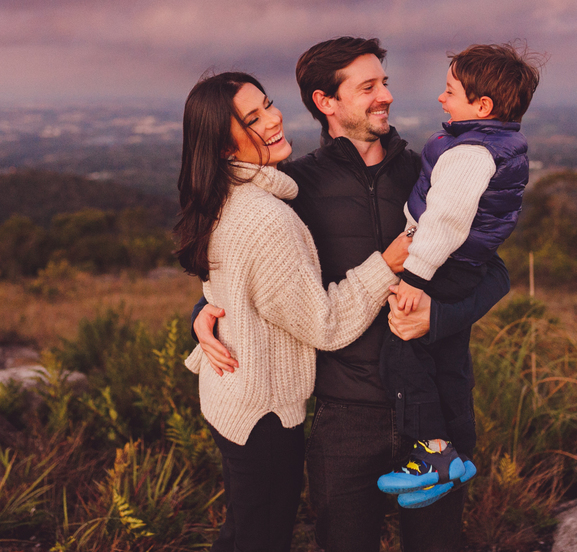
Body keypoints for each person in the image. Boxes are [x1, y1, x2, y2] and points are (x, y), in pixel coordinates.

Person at [193, 38, 512, 552]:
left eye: (384, 82)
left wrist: (439, 315)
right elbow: (247, 273)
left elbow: (495, 272)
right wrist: (201, 316)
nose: (385, 95)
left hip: (436, 412)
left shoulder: (430, 177)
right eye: (368, 87)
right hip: (344, 418)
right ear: (327, 102)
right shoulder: (294, 189)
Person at [176, 71, 412, 552]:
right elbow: (324, 325)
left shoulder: (227, 197)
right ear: (224, 146)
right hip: (262, 409)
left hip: (232, 396)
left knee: (244, 529)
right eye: (253, 118)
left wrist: (203, 311)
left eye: (267, 104)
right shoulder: (266, 217)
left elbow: (230, 288)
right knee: (261, 537)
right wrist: (386, 264)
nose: (273, 118)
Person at [376, 43, 539, 509]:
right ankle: (459, 454)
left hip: (442, 265)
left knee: (401, 352)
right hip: (467, 266)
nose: (442, 98)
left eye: (450, 91)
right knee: (448, 361)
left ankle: (432, 453)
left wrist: (414, 279)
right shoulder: (496, 143)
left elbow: (443, 222)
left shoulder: (469, 153)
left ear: (482, 106)